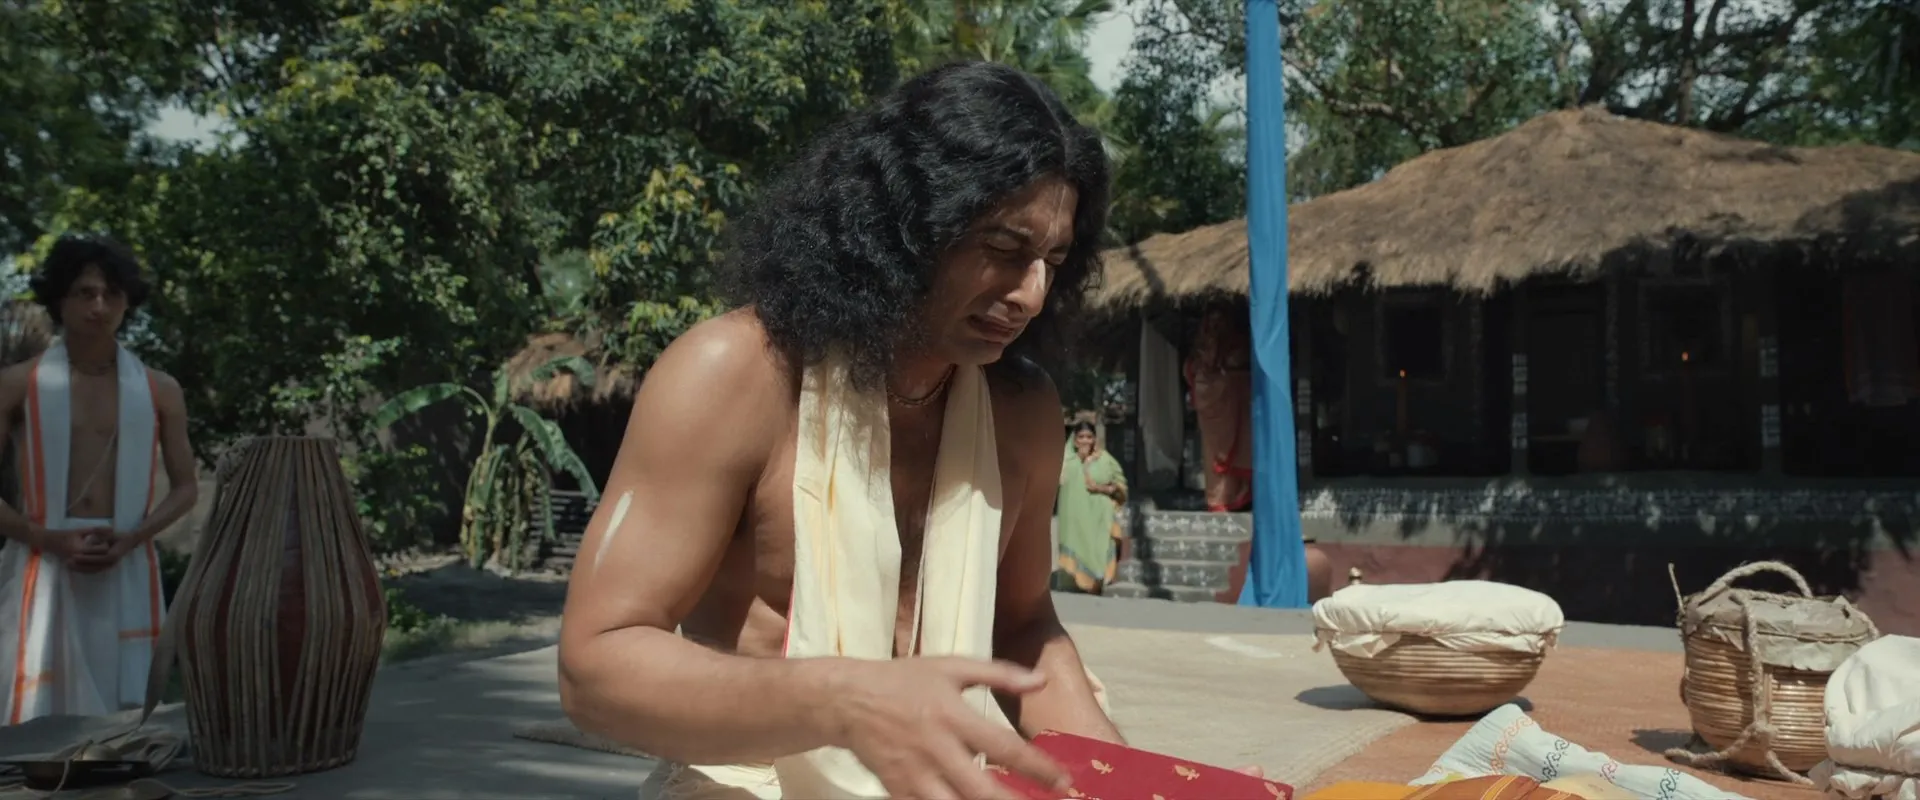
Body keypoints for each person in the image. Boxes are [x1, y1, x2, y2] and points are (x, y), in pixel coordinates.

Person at [557, 61, 1124, 800]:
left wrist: (1129, 786)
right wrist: (845, 704)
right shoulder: (735, 375)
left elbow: (1021, 629)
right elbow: (593, 668)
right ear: (905, 224)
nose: (1033, 294)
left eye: (1053, 260)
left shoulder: (1021, 409)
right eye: (1003, 249)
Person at [0, 234, 199, 725]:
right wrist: (48, 538)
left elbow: (186, 488)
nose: (99, 306)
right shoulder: (19, 384)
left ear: (127, 302)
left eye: (111, 294)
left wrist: (131, 538)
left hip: (124, 560)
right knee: (36, 728)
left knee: (124, 726)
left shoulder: (159, 389)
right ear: (59, 300)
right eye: (85, 293)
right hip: (43, 563)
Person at [1055, 420, 1127, 593]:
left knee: (1099, 547)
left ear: (1095, 439)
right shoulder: (1066, 461)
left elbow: (1120, 485)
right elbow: (1058, 483)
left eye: (1089, 437)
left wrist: (1101, 488)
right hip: (1074, 518)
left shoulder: (1105, 459)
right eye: (1081, 437)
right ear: (1074, 440)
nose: (1085, 441)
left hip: (1099, 516)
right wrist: (1080, 461)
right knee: (1076, 545)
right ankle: (1075, 582)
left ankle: (1096, 581)